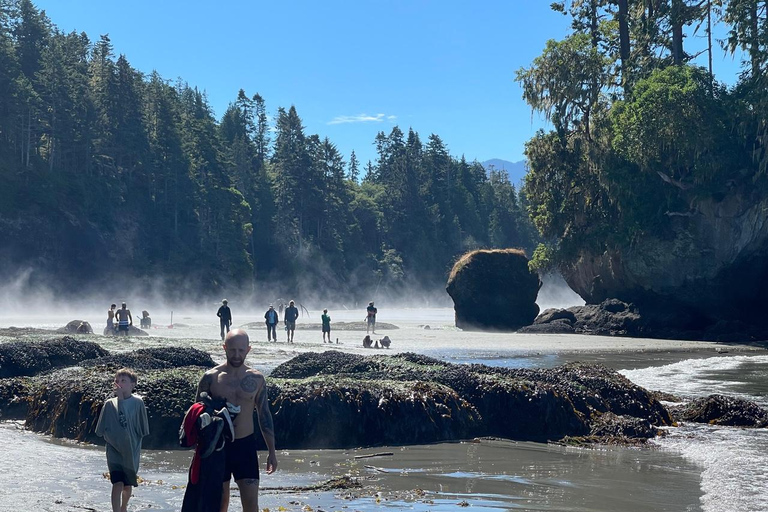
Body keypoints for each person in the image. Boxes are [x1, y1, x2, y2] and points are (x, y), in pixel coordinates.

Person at [195, 329, 278, 512]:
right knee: (220, 503)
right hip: (218, 447)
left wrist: (272, 451)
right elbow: (196, 416)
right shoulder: (210, 378)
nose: (237, 355)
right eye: (232, 350)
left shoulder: (256, 379)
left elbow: (264, 416)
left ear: (248, 349)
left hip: (245, 446)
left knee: (251, 505)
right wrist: (199, 452)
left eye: (241, 350)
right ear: (224, 347)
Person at [95, 368, 150, 512]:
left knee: (127, 485)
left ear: (133, 384)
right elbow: (100, 430)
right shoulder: (109, 404)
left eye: (123, 381)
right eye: (117, 381)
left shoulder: (138, 403)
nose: (119, 384)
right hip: (113, 450)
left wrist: (121, 400)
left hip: (131, 450)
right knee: (117, 483)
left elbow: (139, 428)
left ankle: (124, 506)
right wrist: (118, 400)